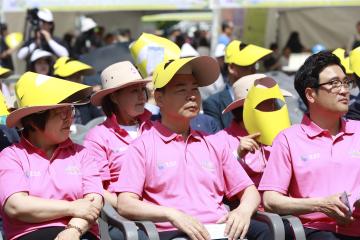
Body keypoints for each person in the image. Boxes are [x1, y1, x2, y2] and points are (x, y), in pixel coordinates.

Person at [115, 56, 271, 240]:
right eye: (181, 89)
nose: (192, 96)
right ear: (159, 98)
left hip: (219, 229)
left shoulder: (213, 143)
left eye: (195, 89)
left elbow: (249, 191)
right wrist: (172, 214)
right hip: (173, 232)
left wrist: (242, 212)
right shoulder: (143, 146)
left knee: (268, 231)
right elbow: (125, 203)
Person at [259, 51, 360, 239]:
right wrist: (320, 205)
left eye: (346, 82)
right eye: (334, 83)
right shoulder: (289, 139)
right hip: (317, 230)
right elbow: (271, 200)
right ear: (310, 94)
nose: (345, 90)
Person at [0, 72, 103, 240]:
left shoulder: (82, 154)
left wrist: (73, 230)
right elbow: (16, 206)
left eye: (70, 110)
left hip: (81, 233)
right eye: (60, 112)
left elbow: (93, 202)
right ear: (33, 120)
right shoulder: (11, 157)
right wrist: (71, 208)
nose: (69, 118)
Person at [83, 61, 151, 240]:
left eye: (141, 89)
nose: (141, 96)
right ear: (114, 97)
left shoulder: (156, 127)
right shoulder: (98, 136)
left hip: (166, 208)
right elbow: (98, 189)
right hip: (123, 219)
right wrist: (134, 207)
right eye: (133, 91)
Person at [221, 73, 291, 187]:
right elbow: (217, 180)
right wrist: (237, 155)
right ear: (246, 108)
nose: (273, 106)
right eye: (265, 102)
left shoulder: (284, 134)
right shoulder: (223, 140)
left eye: (274, 101)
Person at [203, 40, 272, 129]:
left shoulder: (266, 96)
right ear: (232, 68)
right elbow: (215, 139)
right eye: (249, 66)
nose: (254, 71)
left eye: (255, 66)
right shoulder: (214, 103)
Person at [53, 56, 103, 124]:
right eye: (72, 76)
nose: (78, 79)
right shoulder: (54, 105)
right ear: (61, 79)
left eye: (79, 75)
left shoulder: (87, 100)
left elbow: (99, 121)